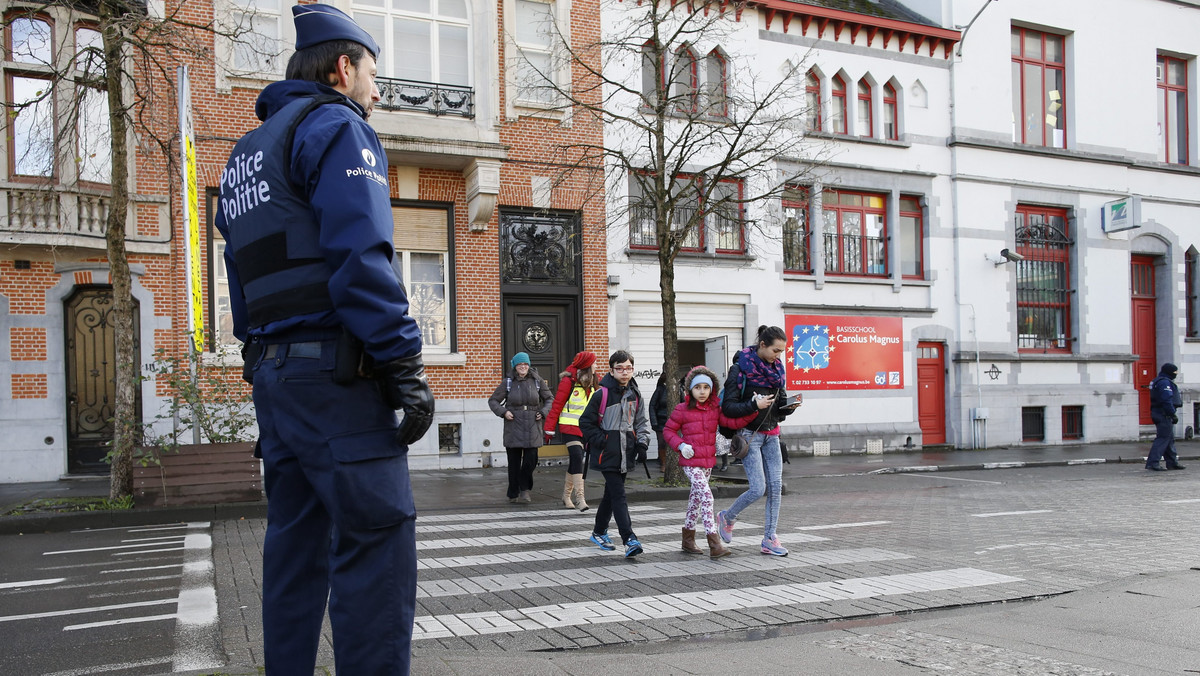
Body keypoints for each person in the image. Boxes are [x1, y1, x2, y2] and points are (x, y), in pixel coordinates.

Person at [214, 5, 434, 674]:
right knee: (375, 545)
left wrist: (261, 365)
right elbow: (360, 256)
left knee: (293, 552)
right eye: (372, 73)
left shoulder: (247, 154)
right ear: (343, 68)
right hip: (337, 383)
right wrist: (402, 361)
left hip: (278, 386)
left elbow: (242, 275)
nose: (376, 90)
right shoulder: (337, 126)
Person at [662, 366, 766, 558]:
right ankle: (714, 543)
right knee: (707, 497)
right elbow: (668, 431)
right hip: (690, 462)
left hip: (707, 462)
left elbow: (732, 423)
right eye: (697, 387)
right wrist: (681, 445)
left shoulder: (715, 408)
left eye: (706, 387)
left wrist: (753, 408)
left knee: (695, 501)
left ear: (712, 389)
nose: (702, 392)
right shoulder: (681, 409)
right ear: (690, 390)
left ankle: (687, 539)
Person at [716, 325, 801, 557]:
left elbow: (779, 409)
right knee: (758, 488)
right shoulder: (739, 370)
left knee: (775, 488)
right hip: (748, 436)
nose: (778, 356)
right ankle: (727, 516)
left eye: (782, 351)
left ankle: (769, 538)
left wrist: (789, 407)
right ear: (762, 345)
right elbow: (728, 407)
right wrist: (754, 405)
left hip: (772, 435)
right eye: (775, 350)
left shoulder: (777, 371)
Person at [579, 350, 652, 558]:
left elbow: (640, 423)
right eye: (619, 368)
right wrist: (602, 440)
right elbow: (585, 422)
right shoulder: (601, 394)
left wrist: (642, 445)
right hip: (607, 453)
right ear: (611, 370)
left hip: (626, 452)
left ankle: (599, 532)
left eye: (628, 368)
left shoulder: (635, 394)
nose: (624, 372)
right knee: (619, 495)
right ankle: (629, 539)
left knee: (611, 495)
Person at [489, 352, 553, 502]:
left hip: (532, 424)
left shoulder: (537, 381)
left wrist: (543, 412)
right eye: (519, 364)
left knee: (531, 460)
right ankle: (514, 493)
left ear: (528, 365)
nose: (523, 367)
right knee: (514, 463)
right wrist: (504, 412)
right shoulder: (508, 382)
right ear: (515, 366)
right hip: (514, 426)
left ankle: (524, 487)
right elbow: (493, 401)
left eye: (525, 364)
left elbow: (550, 398)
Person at [544, 351, 598, 510]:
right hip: (568, 426)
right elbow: (557, 405)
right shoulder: (569, 381)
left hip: (586, 428)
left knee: (576, 460)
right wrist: (549, 429)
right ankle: (580, 499)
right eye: (594, 363)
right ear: (587, 366)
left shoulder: (595, 380)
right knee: (576, 456)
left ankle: (566, 495)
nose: (596, 366)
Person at [1147, 362, 1185, 471]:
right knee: (1163, 439)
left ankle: (1172, 462)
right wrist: (1172, 414)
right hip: (1163, 414)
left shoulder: (1159, 380)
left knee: (1169, 439)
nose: (1176, 374)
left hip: (1160, 413)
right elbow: (1166, 400)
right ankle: (1153, 463)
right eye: (1174, 372)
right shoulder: (1164, 383)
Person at [649, 365, 671, 472]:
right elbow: (652, 406)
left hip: (673, 422)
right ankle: (663, 463)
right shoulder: (660, 390)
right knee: (662, 443)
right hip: (661, 422)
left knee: (673, 443)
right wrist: (654, 422)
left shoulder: (678, 388)